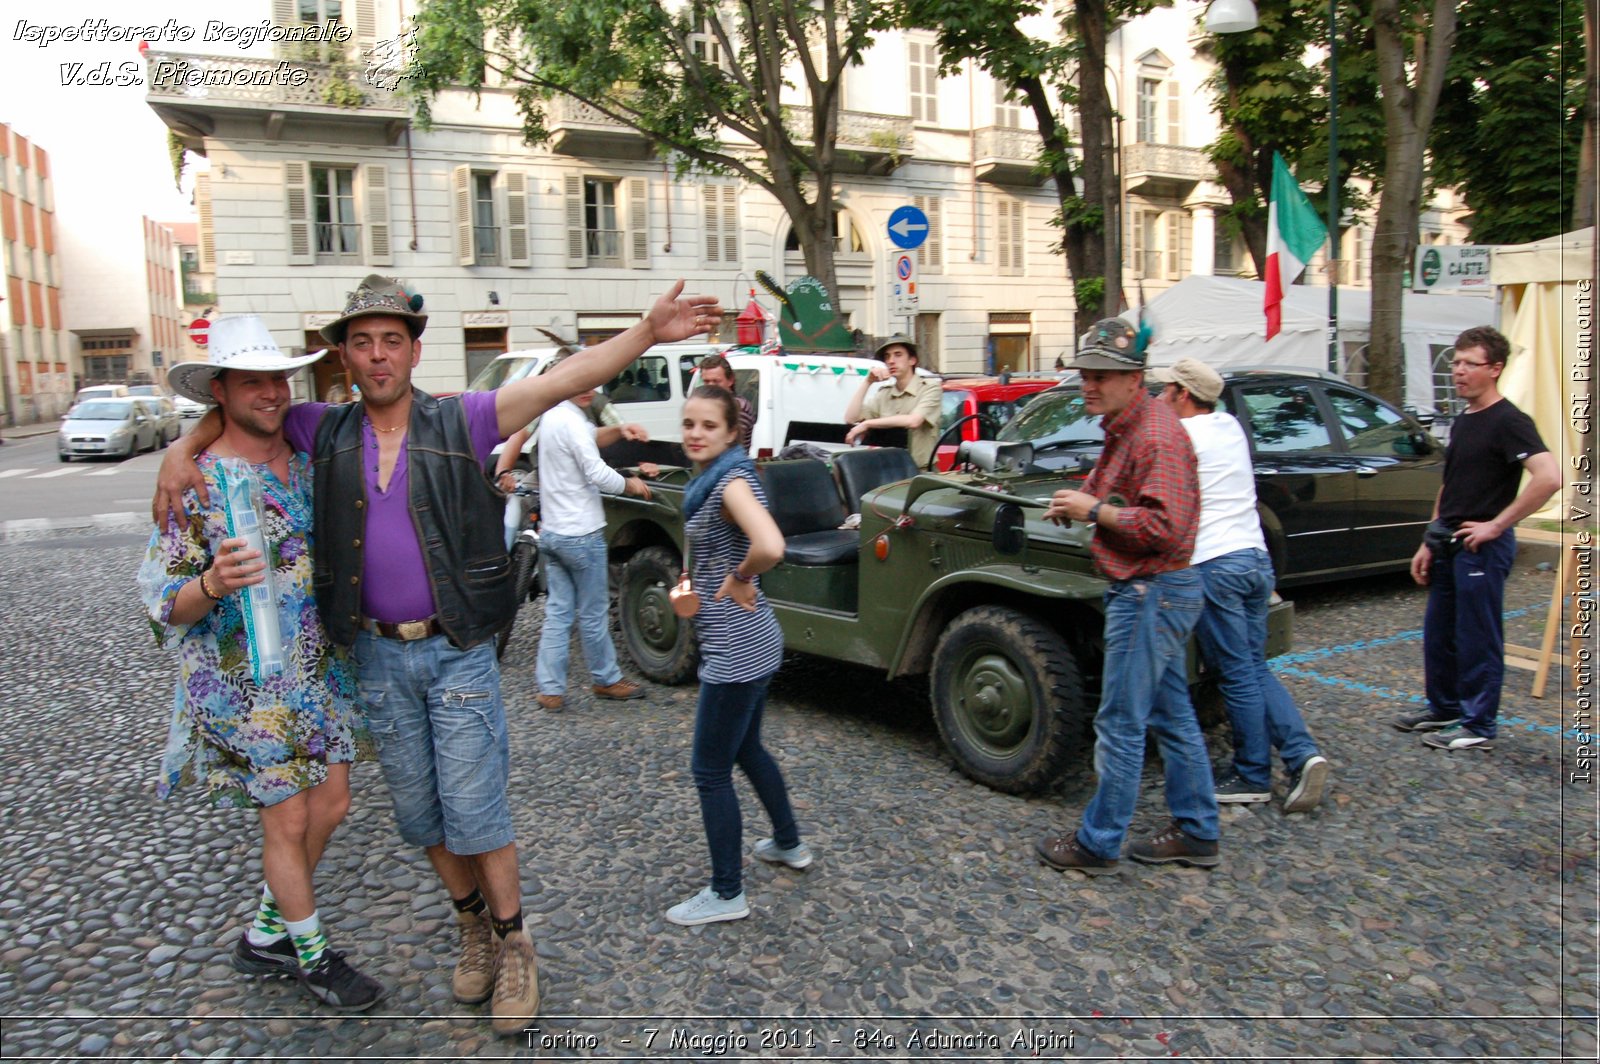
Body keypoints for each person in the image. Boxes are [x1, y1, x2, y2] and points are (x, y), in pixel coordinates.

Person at [155, 275, 721, 1034]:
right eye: (362, 342)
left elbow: (564, 379)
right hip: (377, 663)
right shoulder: (319, 427)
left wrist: (647, 332)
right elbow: (240, 412)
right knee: (423, 820)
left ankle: (515, 943)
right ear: (344, 358)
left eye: (392, 340)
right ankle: (472, 928)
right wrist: (180, 448)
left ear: (415, 350)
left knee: (477, 813)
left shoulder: (465, 419)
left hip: (455, 652)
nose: (379, 355)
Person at [137, 315, 382, 1011]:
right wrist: (211, 583)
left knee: (332, 805)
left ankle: (265, 932)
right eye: (253, 381)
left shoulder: (307, 459)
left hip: (321, 666)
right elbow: (164, 601)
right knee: (288, 819)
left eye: (278, 378)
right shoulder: (197, 483)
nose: (271, 393)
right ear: (220, 391)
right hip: (246, 682)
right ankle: (312, 955)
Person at [1034, 319, 1215, 876]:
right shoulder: (1126, 423)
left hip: (1150, 592)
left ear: (1134, 377)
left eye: (1102, 375)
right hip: (1155, 590)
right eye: (1085, 373)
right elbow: (1109, 479)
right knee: (1171, 712)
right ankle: (1197, 829)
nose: (1088, 384)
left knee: (1119, 721)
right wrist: (1077, 499)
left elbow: (1165, 526)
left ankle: (1099, 842)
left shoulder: (1156, 435)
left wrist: (1094, 512)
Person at [1151, 358, 1330, 813]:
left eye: (1167, 390)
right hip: (1254, 558)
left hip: (1215, 564)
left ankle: (1251, 773)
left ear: (1182, 395)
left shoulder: (1182, 437)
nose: (1161, 396)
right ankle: (1302, 754)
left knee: (1235, 675)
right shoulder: (1229, 426)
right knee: (1252, 667)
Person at [665, 385, 809, 926]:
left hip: (735, 648)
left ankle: (727, 893)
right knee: (747, 747)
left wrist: (739, 576)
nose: (695, 434)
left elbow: (770, 545)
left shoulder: (728, 482)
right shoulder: (721, 477)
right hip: (753, 638)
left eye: (707, 426)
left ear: (731, 433)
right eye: (688, 424)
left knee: (709, 769)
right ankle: (789, 843)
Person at [1396, 325, 1560, 750]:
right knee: (1440, 634)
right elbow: (1451, 485)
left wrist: (1496, 525)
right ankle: (1446, 709)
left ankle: (1478, 725)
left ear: (1496, 369)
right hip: (1447, 542)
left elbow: (1550, 477)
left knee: (1477, 637)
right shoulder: (1464, 420)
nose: (1459, 371)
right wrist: (1427, 539)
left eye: (1471, 363)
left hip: (1481, 546)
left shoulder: (1510, 421)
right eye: (1457, 361)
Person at [531, 386, 654, 711]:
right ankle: (606, 679)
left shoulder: (554, 415)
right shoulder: (572, 422)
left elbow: (589, 437)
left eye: (592, 384)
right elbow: (596, 472)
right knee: (593, 613)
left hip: (554, 531)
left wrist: (618, 429)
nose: (590, 390)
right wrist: (629, 484)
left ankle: (550, 689)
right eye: (582, 383)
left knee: (558, 613)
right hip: (582, 533)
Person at [843, 335, 941, 467]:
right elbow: (850, 418)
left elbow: (913, 421)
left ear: (912, 360)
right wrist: (868, 382)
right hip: (890, 471)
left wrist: (867, 424)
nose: (891, 361)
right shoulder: (884, 393)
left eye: (898, 355)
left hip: (921, 473)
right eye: (887, 357)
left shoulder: (930, 387)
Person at [698, 354, 755, 452]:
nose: (711, 386)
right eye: (706, 381)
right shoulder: (708, 406)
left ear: (730, 380)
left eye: (716, 381)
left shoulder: (739, 407)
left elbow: (729, 446)